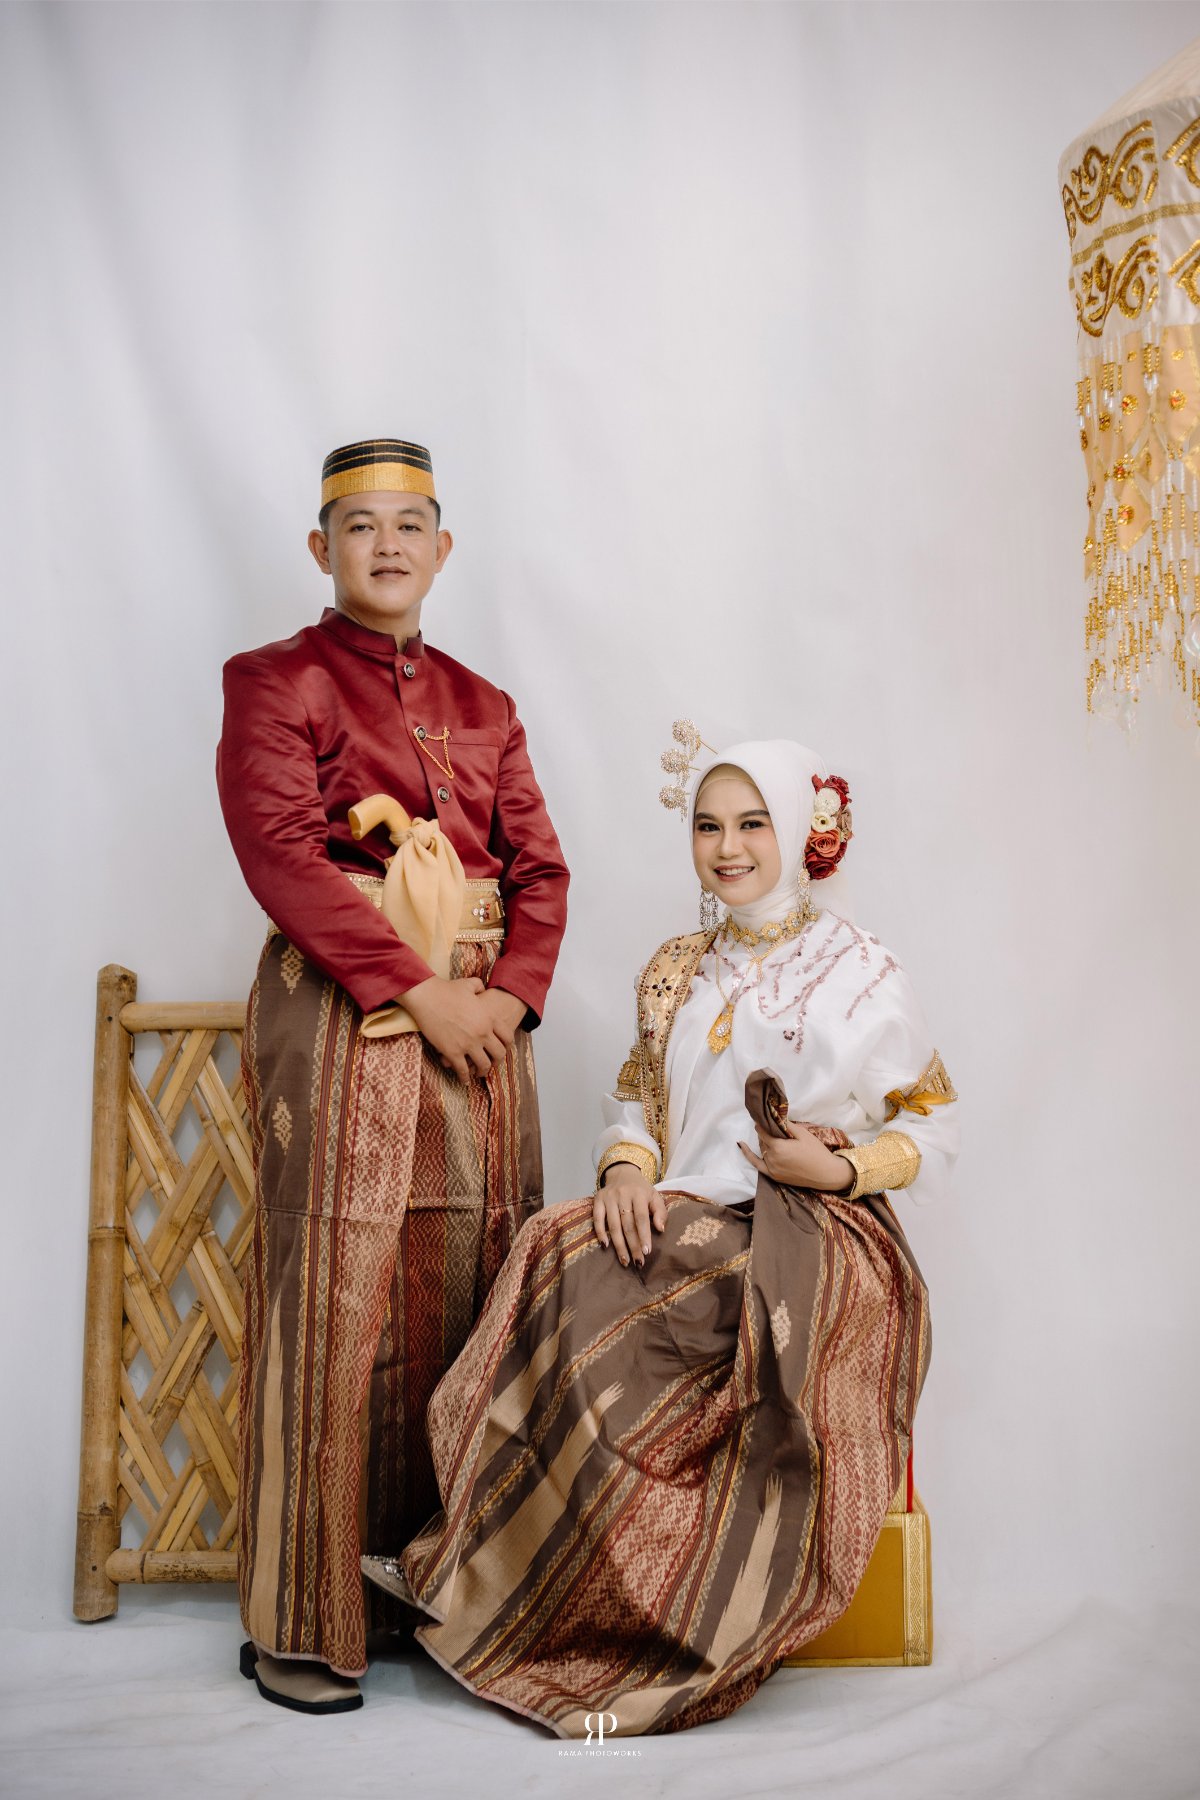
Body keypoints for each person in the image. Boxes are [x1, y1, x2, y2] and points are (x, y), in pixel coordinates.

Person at [362, 735, 957, 1736]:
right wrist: (626, 1170)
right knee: (556, 1248)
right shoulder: (677, 969)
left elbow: (932, 1126)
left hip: (810, 1231)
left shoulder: (860, 972)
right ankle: (480, 1572)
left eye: (753, 823)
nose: (728, 848)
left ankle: (632, 1607)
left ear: (799, 829)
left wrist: (841, 1169)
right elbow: (636, 1098)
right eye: (708, 827)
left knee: (611, 1310)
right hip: (685, 1209)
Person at [216, 438, 569, 1713]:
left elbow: (541, 869)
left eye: (410, 523)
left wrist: (508, 998)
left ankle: (437, 1589)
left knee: (477, 1284)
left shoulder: (487, 704)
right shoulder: (274, 680)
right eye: (359, 524)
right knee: (333, 1291)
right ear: (322, 548)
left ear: (443, 547)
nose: (387, 544)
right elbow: (281, 853)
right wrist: (423, 992)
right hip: (344, 1002)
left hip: (483, 1026)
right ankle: (301, 1620)